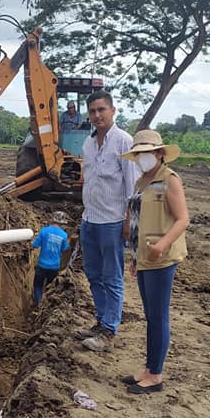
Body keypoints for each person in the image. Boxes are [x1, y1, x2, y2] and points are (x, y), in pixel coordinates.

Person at [121, 130, 189, 393]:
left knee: (158, 316)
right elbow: (137, 220)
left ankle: (156, 375)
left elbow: (182, 219)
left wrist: (161, 245)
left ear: (160, 154)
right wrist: (134, 256)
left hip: (161, 258)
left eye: (147, 153)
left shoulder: (169, 180)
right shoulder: (141, 182)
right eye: (139, 153)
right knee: (150, 315)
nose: (143, 157)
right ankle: (149, 369)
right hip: (144, 257)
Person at [76, 91, 138, 352]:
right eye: (92, 111)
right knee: (93, 274)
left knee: (111, 277)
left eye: (101, 109)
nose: (97, 115)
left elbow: (132, 186)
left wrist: (128, 222)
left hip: (113, 222)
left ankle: (109, 330)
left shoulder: (124, 142)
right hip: (89, 219)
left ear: (113, 111)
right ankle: (101, 321)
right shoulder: (88, 143)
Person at [30, 211, 70, 306]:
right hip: (54, 267)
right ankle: (45, 305)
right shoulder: (64, 235)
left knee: (38, 285)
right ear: (62, 223)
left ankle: (38, 303)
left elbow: (34, 245)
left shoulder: (44, 231)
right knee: (49, 287)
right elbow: (64, 249)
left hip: (42, 265)